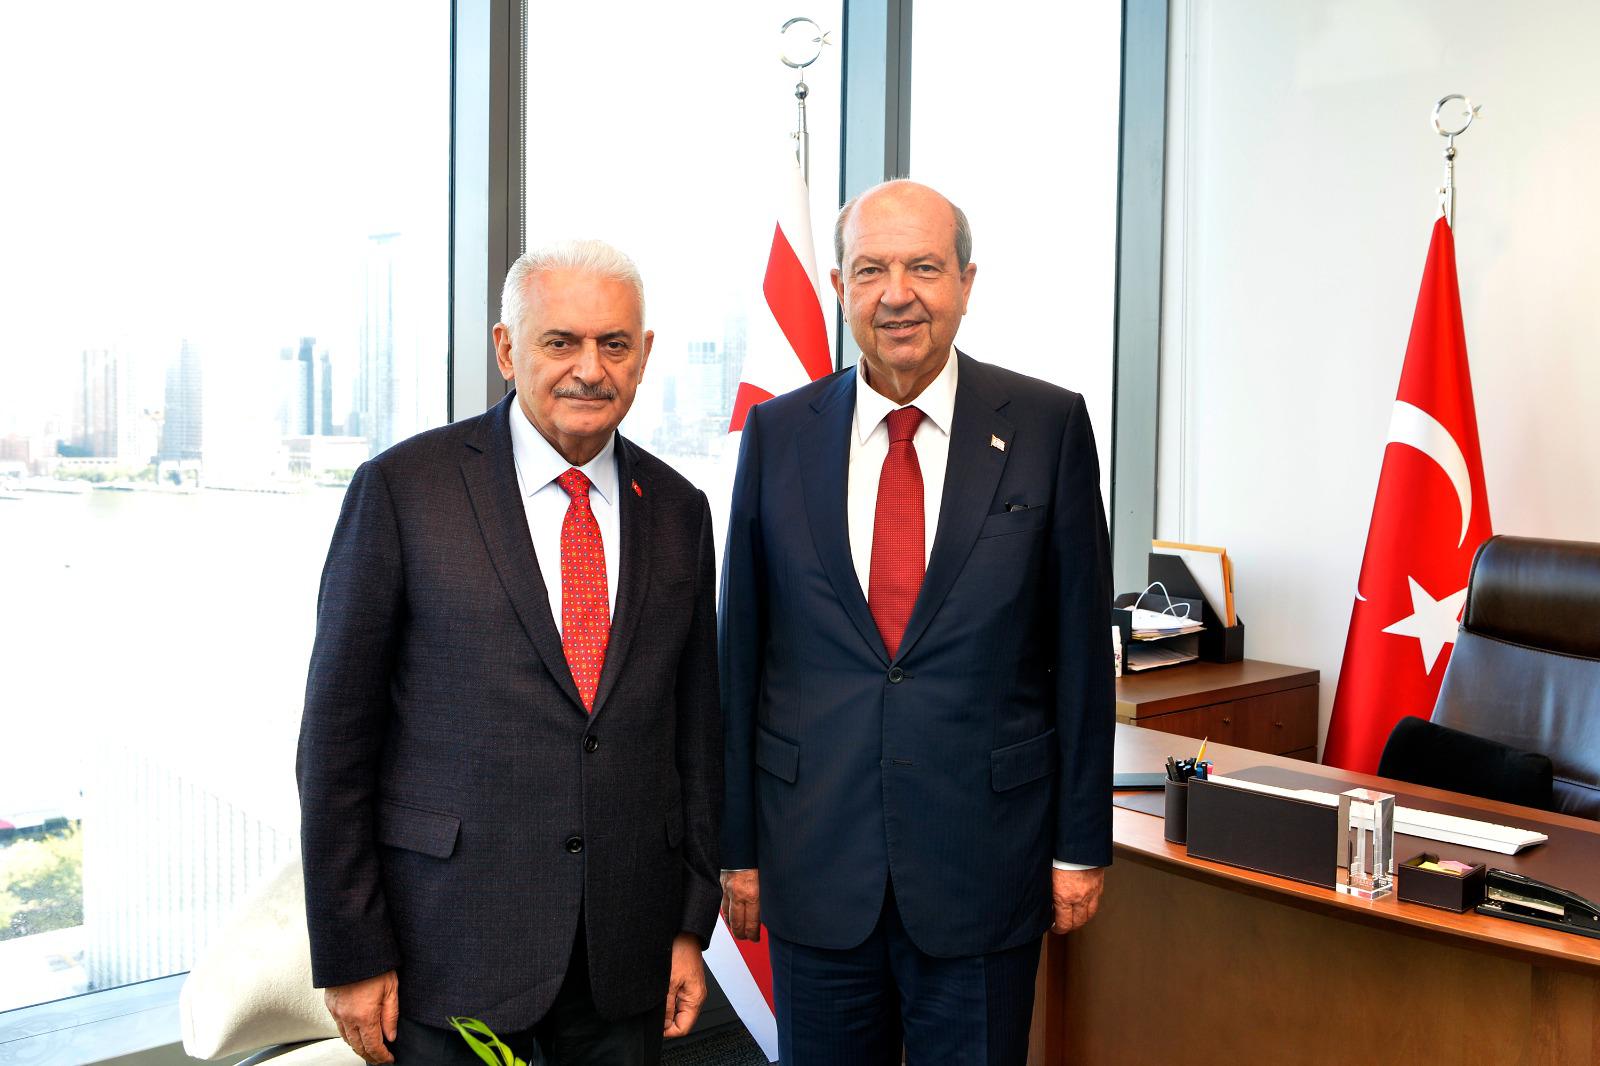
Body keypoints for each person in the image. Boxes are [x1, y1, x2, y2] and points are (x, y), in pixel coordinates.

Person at [297, 239, 722, 1065]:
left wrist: (686, 924)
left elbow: (695, 736)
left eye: (614, 344)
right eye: (560, 342)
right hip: (448, 949)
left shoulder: (679, 509)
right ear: (506, 348)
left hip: (626, 957)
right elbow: (335, 744)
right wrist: (352, 952)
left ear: (644, 355)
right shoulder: (403, 490)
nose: (589, 370)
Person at [718, 180, 1114, 1063]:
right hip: (817, 860)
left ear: (967, 281)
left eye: (924, 268)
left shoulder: (1048, 425)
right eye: (871, 270)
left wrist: (1081, 846)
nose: (897, 294)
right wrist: (736, 847)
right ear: (838, 287)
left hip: (985, 862)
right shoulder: (778, 434)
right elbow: (740, 653)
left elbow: (1083, 656)